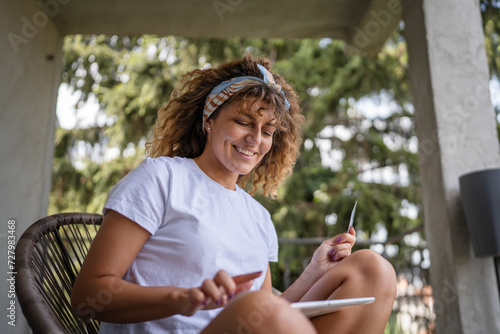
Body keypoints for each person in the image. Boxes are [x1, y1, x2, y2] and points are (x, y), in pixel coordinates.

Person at [71, 55, 397, 334]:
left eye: (267, 131)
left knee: (372, 270)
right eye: (243, 122)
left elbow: (267, 313)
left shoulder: (257, 217)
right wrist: (184, 298)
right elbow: (88, 295)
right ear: (209, 121)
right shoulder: (161, 177)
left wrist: (315, 271)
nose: (255, 139)